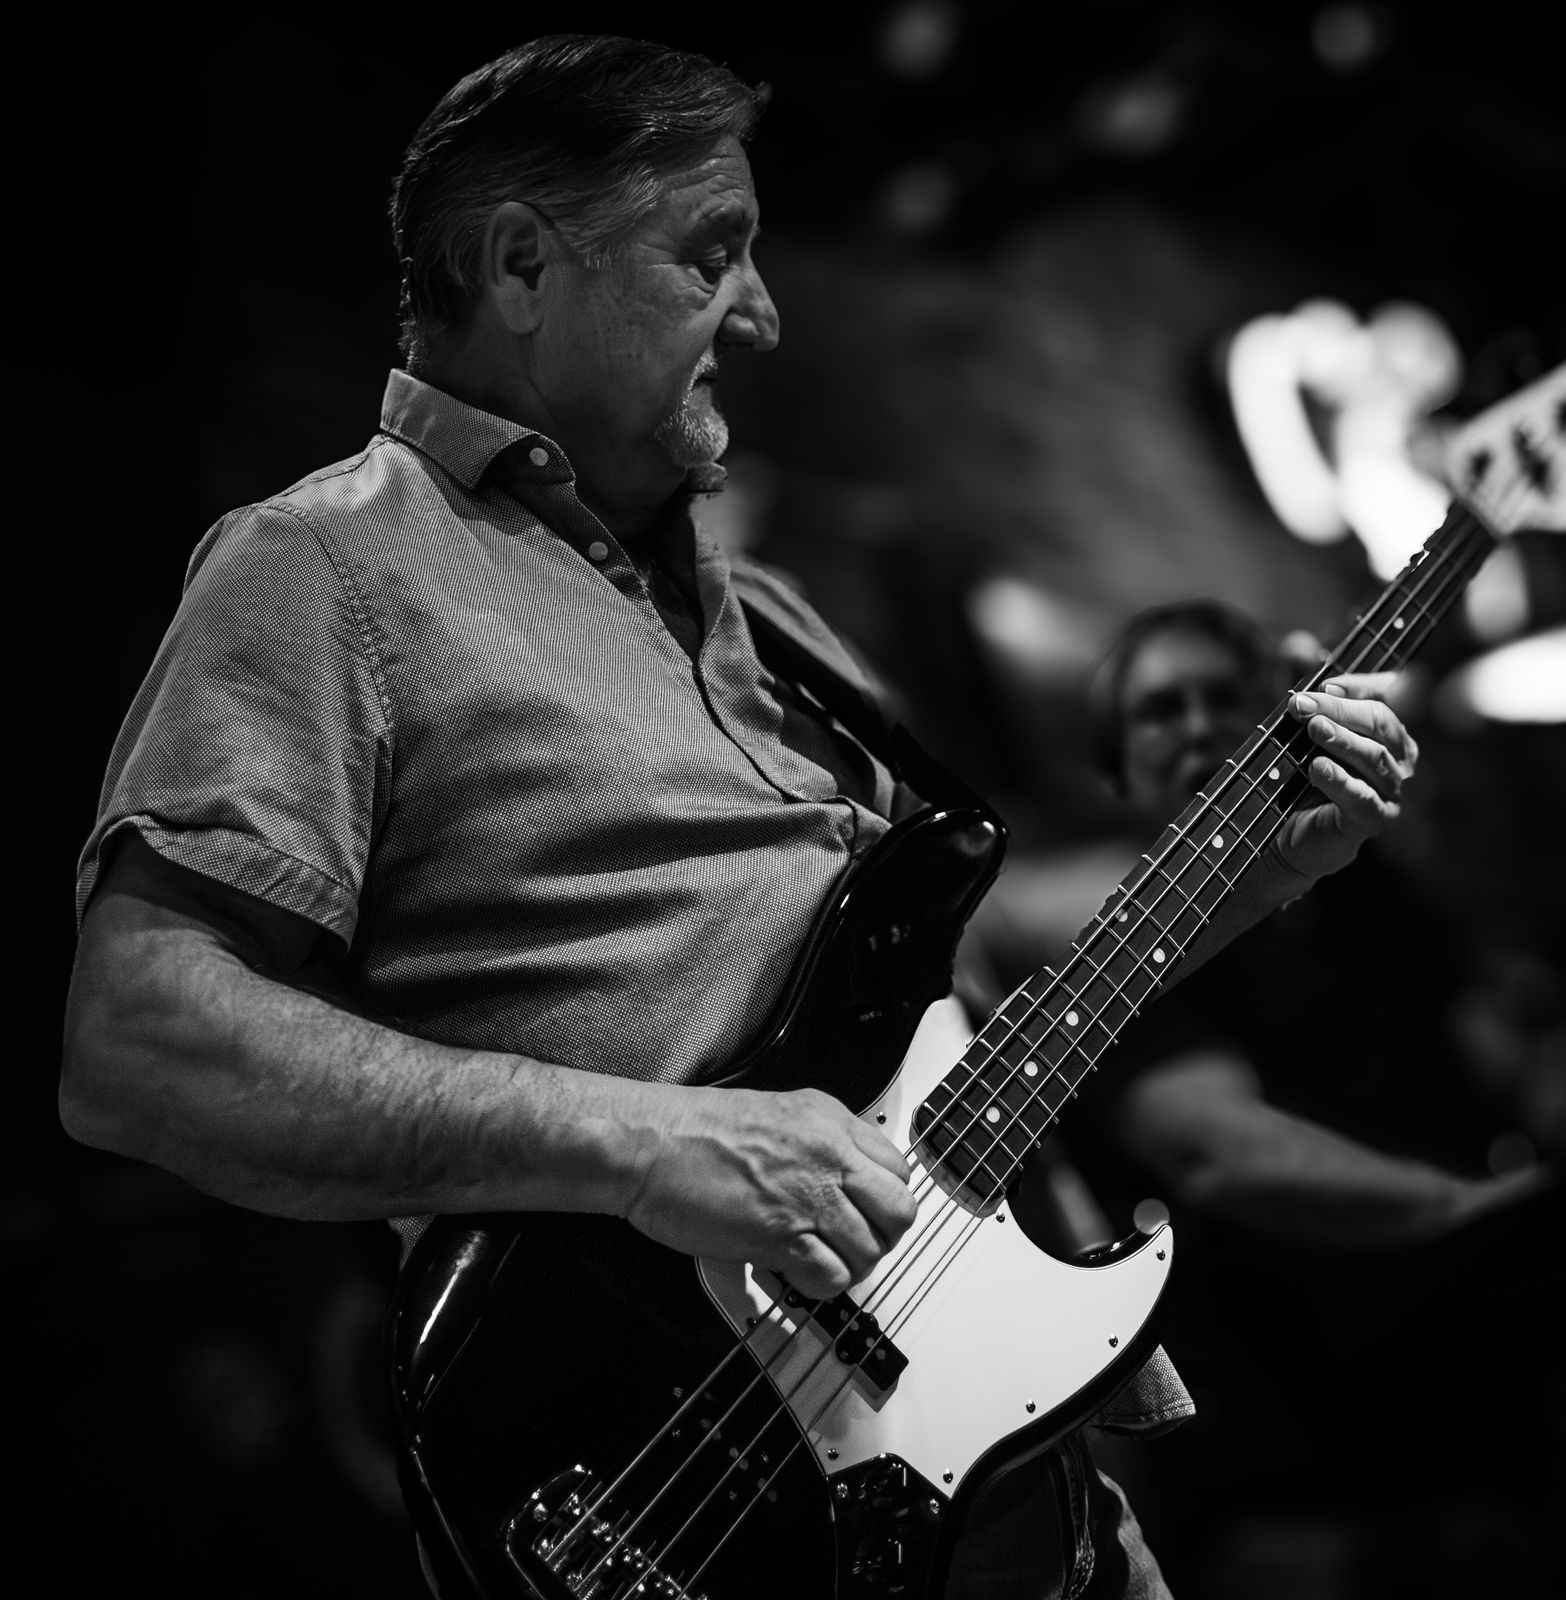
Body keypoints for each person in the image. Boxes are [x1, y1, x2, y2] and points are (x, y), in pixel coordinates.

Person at [60, 38, 1424, 1600]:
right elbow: (140, 1046)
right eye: (711, 252)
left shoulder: (770, 619)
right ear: (521, 267)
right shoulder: (323, 567)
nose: (762, 313)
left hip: (1022, 1500)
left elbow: (961, 1020)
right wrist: (653, 1145)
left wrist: (1253, 869)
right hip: (689, 1503)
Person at [971, 598, 1557, 1596]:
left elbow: (1496, 1028)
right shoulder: (1112, 951)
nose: (1201, 725)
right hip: (1293, 1462)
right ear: (1115, 773)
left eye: (1225, 700)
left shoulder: (1360, 894)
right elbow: (1224, 1155)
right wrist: (1490, 1214)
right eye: (1162, 710)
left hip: (1463, 1388)